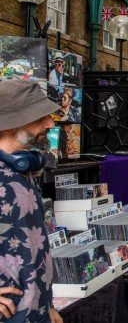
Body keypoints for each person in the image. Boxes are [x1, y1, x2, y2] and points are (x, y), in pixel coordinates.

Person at [0, 79, 63, 322]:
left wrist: (48, 305)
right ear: (8, 124)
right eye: (39, 117)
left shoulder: (20, 169)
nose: (49, 123)